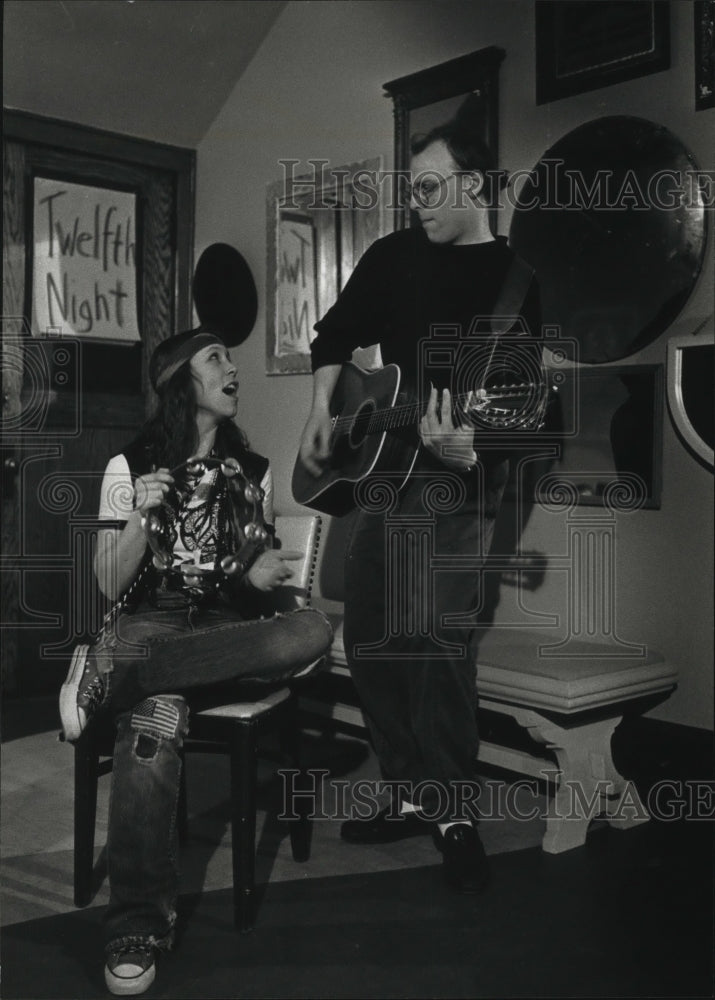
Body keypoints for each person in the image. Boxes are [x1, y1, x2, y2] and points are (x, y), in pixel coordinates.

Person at [298, 117, 541, 893]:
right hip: (382, 473)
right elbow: (334, 335)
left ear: (473, 184)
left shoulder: (515, 283)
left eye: (431, 190)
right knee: (369, 632)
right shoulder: (392, 257)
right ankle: (404, 785)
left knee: (436, 637)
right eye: (413, 191)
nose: (419, 205)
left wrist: (476, 448)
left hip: (458, 481)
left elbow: (523, 404)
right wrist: (319, 411)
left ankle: (449, 802)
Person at [60, 327, 333, 996]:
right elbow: (105, 583)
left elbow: (247, 571)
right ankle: (136, 925)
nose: (232, 370)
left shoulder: (257, 472)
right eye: (218, 359)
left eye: (231, 360)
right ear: (182, 380)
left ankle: (111, 680)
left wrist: (260, 569)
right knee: (151, 729)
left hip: (218, 632)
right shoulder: (129, 467)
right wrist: (136, 521)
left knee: (310, 629)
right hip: (150, 621)